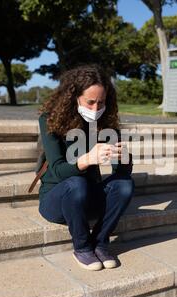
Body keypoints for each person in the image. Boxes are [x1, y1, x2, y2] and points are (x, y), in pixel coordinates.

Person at [37, 64, 135, 271]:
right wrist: (87, 159)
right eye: (90, 102)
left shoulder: (106, 122)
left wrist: (125, 158)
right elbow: (58, 170)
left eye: (101, 103)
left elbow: (121, 173)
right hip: (57, 198)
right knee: (76, 183)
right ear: (73, 97)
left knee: (125, 185)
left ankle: (100, 242)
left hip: (89, 198)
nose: (95, 109)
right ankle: (82, 247)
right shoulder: (49, 119)